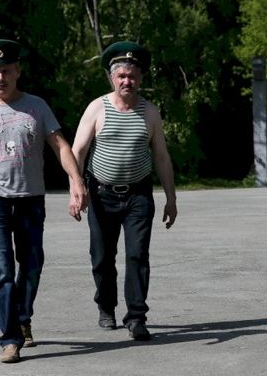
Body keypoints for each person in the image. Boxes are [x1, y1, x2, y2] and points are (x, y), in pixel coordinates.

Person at [0, 39, 87, 363]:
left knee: (31, 265)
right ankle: (10, 339)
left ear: (17, 71)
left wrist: (76, 180)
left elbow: (60, 145)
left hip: (30, 199)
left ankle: (23, 316)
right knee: (2, 268)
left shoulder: (37, 107)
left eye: (5, 71)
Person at [70, 40, 177, 341]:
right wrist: (76, 189)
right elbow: (78, 152)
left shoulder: (150, 112)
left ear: (140, 78)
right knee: (102, 257)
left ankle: (136, 317)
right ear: (111, 78)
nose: (127, 81)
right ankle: (106, 306)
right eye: (121, 76)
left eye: (132, 76)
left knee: (137, 256)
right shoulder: (97, 108)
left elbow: (161, 157)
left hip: (138, 195)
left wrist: (171, 198)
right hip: (101, 194)